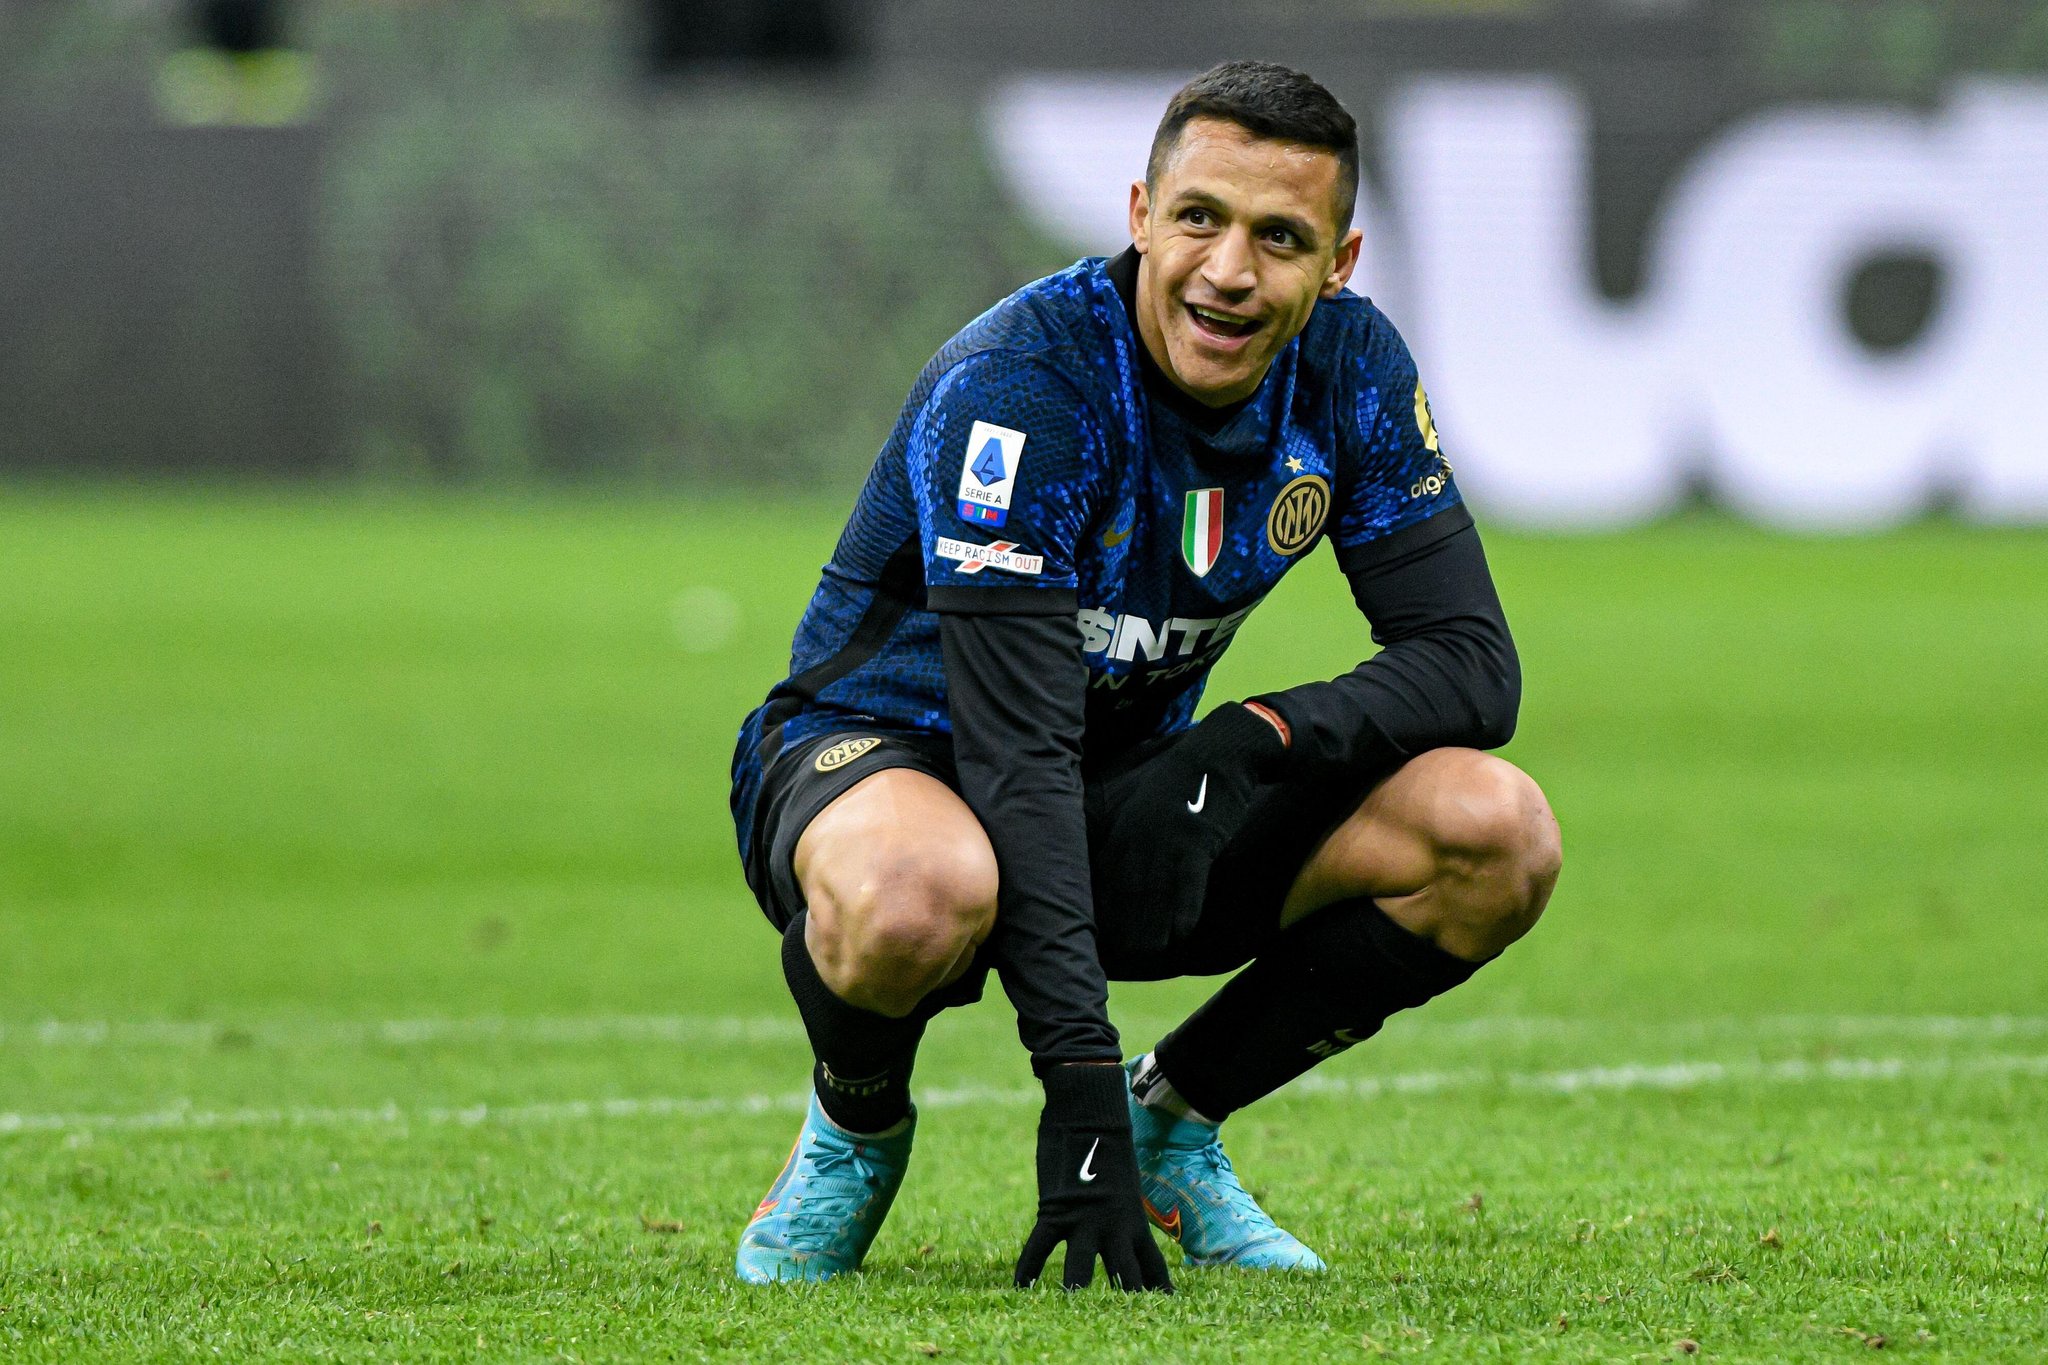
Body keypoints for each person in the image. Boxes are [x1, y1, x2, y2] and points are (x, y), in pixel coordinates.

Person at [726, 60, 1561, 1291]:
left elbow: (1470, 666)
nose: (1228, 271)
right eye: (1199, 219)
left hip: (1119, 782)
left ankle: (1175, 1119)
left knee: (1495, 834)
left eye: (1279, 238)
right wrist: (1074, 1105)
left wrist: (1260, 740)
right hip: (882, 759)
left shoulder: (1350, 371)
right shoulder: (1027, 387)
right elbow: (1011, 757)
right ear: (1137, 215)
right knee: (918, 890)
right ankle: (854, 1123)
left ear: (1338, 264)